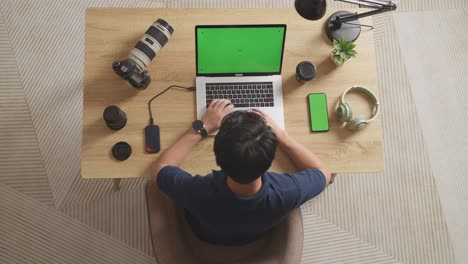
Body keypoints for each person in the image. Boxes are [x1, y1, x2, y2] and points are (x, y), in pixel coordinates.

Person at [151, 99, 331, 245]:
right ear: (269, 162)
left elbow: (160, 168)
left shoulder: (198, 192)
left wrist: (201, 128)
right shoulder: (288, 191)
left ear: (217, 160)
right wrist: (281, 136)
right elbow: (323, 172)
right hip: (255, 235)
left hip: (206, 234)